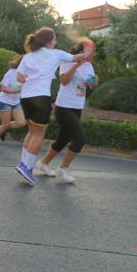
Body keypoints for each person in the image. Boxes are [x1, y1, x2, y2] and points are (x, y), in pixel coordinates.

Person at [15, 27, 90, 186]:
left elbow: (20, 78)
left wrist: (33, 78)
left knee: (31, 131)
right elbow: (76, 58)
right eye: (55, 40)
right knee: (38, 134)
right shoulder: (56, 54)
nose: (56, 43)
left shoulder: (27, 57)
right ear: (49, 42)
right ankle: (27, 167)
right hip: (41, 98)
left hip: (26, 98)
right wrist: (87, 53)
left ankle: (23, 163)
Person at [34, 39, 98, 183]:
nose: (94, 54)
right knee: (80, 140)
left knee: (63, 140)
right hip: (64, 107)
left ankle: (43, 163)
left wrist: (94, 81)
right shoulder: (67, 61)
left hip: (77, 107)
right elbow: (64, 81)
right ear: (83, 52)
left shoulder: (89, 66)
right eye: (92, 51)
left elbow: (90, 87)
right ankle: (63, 169)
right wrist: (77, 64)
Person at [0, 55, 26, 151]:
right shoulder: (11, 73)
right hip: (4, 102)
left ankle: (0, 129)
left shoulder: (27, 75)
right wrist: (13, 91)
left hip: (16, 102)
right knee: (5, 125)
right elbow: (3, 88)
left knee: (21, 123)